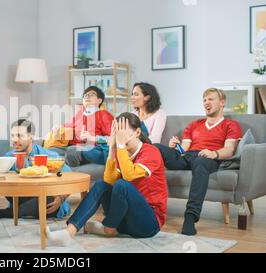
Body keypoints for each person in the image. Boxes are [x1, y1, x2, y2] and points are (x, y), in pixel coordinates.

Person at [46, 113, 168, 246]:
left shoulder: (151, 151)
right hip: (126, 221)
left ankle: (108, 228)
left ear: (137, 132)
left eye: (122, 130)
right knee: (101, 185)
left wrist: (120, 146)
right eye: (116, 131)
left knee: (122, 185)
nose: (118, 135)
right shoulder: (122, 152)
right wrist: (112, 149)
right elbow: (109, 181)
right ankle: (69, 232)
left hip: (148, 224)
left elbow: (129, 175)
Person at [154, 88, 243, 236]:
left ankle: (190, 216)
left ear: (222, 103)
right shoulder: (194, 124)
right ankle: (147, 203)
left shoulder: (230, 125)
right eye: (204, 100)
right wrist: (176, 147)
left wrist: (213, 153)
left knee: (201, 162)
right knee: (155, 148)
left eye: (211, 99)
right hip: (188, 156)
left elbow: (229, 150)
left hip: (209, 158)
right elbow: (184, 150)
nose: (206, 102)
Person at [49, 86, 114, 166]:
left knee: (72, 150)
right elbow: (65, 126)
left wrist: (92, 138)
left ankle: (70, 174)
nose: (87, 96)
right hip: (73, 146)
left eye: (91, 94)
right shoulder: (79, 115)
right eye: (85, 95)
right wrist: (56, 127)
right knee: (51, 151)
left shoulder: (104, 115)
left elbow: (112, 139)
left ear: (99, 100)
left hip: (93, 148)